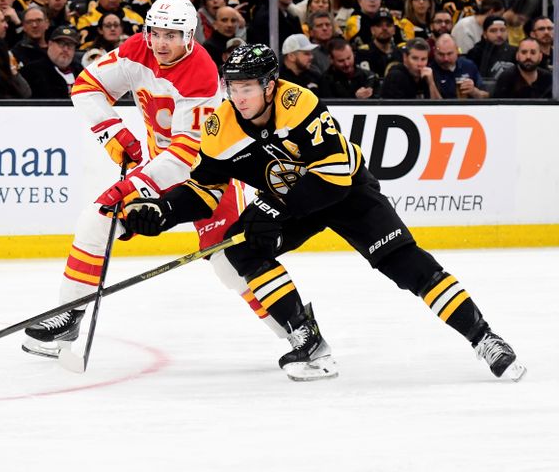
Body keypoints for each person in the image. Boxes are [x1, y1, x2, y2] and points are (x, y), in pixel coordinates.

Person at [124, 43, 526, 382]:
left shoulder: (299, 104)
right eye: (232, 86)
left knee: (409, 266)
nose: (238, 96)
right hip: (293, 202)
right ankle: (306, 338)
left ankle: (484, 338)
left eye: (247, 87)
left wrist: (271, 206)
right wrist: (162, 211)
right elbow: (204, 189)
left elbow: (332, 177)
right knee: (242, 249)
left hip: (346, 191)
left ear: (270, 84)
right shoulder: (220, 127)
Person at [22, 0, 254, 360]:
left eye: (172, 35)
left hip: (209, 178)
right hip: (160, 169)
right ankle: (68, 314)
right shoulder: (137, 50)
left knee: (231, 265)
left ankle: (298, 331)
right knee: (97, 219)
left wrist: (132, 185)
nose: (161, 43)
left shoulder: (202, 74)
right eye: (156, 32)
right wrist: (113, 133)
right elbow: (85, 88)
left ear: (189, 36)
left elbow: (185, 156)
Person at [22, 25, 83, 98]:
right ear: (50, 44)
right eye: (61, 44)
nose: (65, 49)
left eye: (70, 45)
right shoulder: (32, 71)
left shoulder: (80, 71)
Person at [430, 33, 487, 99]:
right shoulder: (430, 70)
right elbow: (432, 105)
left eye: (449, 54)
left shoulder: (468, 66)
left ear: (457, 50)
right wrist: (431, 83)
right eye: (441, 54)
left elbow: (486, 96)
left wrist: (473, 91)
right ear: (434, 52)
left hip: (468, 108)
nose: (446, 59)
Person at [464, 15, 515, 82]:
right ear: (485, 34)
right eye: (493, 31)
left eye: (502, 30)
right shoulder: (475, 54)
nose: (499, 35)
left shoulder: (515, 52)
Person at [355, 9, 402, 78]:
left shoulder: (400, 53)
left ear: (394, 30)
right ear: (372, 30)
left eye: (388, 25)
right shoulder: (364, 53)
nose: (384, 28)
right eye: (379, 25)